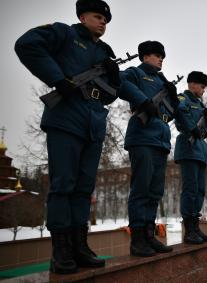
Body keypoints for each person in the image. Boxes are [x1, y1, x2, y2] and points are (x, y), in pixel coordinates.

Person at [14, 0, 130, 274]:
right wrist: (58, 79)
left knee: (83, 188)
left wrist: (114, 80)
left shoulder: (104, 52)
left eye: (106, 19)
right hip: (66, 118)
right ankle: (61, 249)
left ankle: (80, 245)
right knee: (63, 184)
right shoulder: (64, 33)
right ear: (82, 16)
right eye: (98, 16)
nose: (103, 22)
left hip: (93, 123)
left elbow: (110, 95)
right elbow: (26, 45)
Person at [119, 40, 179, 257]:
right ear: (144, 56)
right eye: (156, 55)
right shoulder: (135, 72)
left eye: (162, 56)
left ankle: (149, 236)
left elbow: (173, 113)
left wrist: (172, 95)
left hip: (161, 140)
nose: (161, 58)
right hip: (142, 137)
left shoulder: (162, 80)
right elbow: (119, 83)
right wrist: (143, 100)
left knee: (155, 192)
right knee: (141, 189)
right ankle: (137, 240)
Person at [174, 71, 207, 244]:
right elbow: (181, 115)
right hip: (188, 149)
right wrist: (193, 127)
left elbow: (202, 133)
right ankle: (189, 229)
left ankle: (195, 227)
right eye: (202, 86)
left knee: (200, 190)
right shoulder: (183, 99)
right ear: (192, 84)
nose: (204, 90)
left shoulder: (200, 104)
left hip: (200, 151)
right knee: (190, 189)